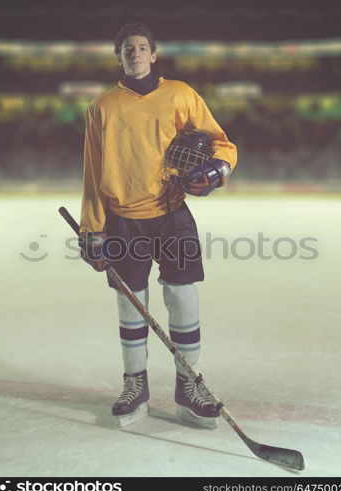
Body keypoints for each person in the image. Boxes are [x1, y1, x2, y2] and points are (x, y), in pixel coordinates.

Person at [79, 22, 237, 428]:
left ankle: (190, 384)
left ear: (154, 54)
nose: (135, 53)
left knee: (184, 298)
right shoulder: (101, 107)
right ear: (119, 56)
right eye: (127, 48)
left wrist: (216, 171)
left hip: (172, 214)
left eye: (142, 47)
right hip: (121, 220)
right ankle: (135, 385)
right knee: (131, 304)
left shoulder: (181, 95)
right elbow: (92, 174)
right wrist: (91, 228)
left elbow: (223, 143)